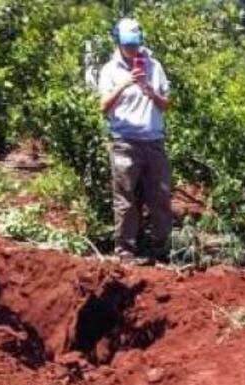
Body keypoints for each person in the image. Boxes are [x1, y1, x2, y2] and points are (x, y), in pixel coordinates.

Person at [97, 18, 173, 264]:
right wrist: (124, 84)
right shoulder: (109, 70)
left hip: (153, 141)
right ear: (118, 42)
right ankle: (125, 252)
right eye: (128, 45)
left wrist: (150, 90)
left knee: (160, 196)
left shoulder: (154, 66)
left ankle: (161, 250)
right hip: (124, 141)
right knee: (125, 199)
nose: (133, 50)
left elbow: (167, 105)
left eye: (136, 44)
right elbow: (103, 107)